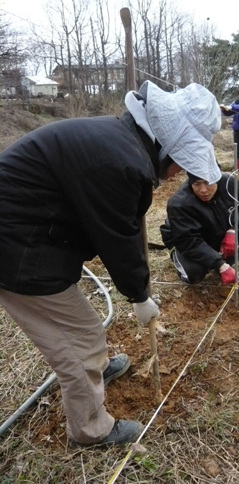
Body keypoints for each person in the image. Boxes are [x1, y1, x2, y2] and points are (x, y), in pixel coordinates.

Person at [0, 80, 222, 448]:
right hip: (16, 248)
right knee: (80, 338)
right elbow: (116, 236)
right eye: (181, 163)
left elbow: (127, 224)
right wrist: (139, 295)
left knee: (82, 324)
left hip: (33, 233)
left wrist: (142, 288)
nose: (180, 174)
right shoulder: (119, 161)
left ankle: (99, 369)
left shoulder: (120, 143)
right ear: (166, 147)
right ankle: (90, 430)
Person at [160, 172, 239, 286]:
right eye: (197, 184)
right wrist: (219, 264)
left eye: (208, 183)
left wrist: (233, 231)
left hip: (217, 232)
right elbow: (188, 241)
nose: (203, 190)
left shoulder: (229, 183)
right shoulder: (179, 203)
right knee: (193, 275)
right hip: (189, 242)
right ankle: (214, 264)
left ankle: (227, 263)